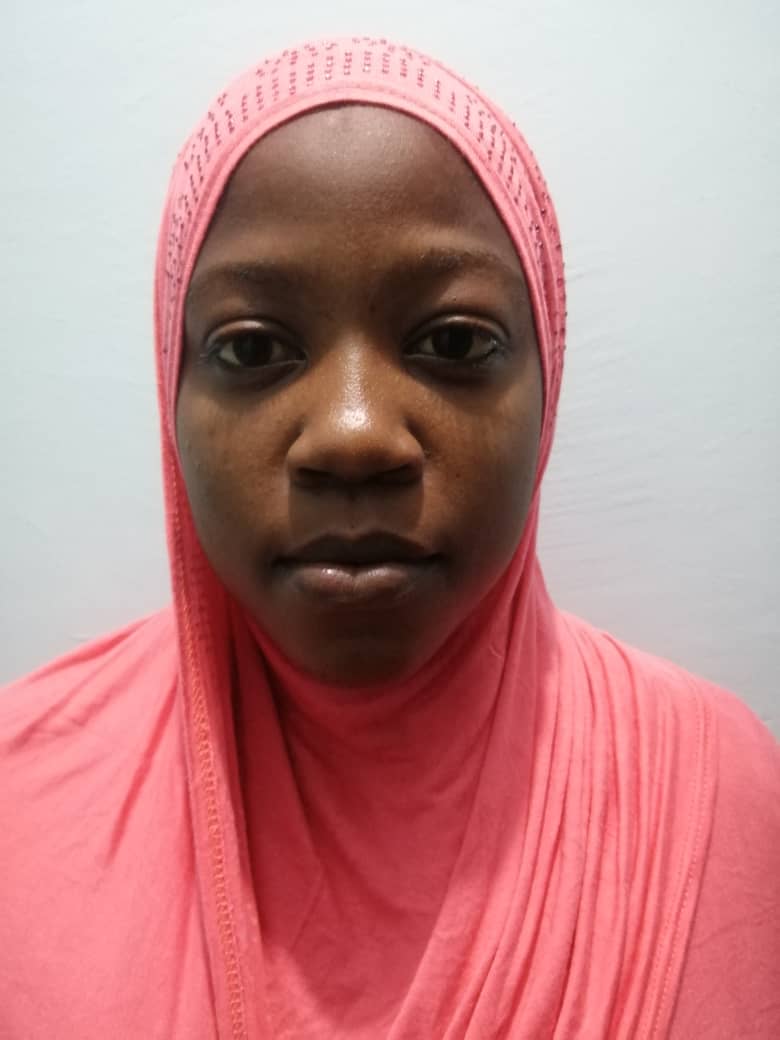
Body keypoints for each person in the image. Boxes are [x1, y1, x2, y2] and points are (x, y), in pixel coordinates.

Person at [1, 36, 777, 1040]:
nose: (354, 433)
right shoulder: (22, 800)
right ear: (170, 388)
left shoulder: (717, 798)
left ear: (547, 383)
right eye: (253, 348)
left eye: (453, 342)